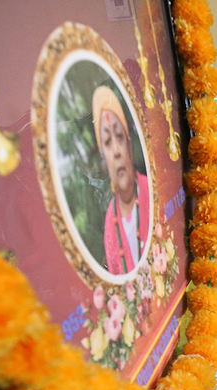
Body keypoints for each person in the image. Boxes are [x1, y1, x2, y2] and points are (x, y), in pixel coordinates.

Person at [92, 85, 150, 275]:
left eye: (119, 136)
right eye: (107, 142)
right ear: (104, 158)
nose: (116, 151)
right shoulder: (111, 218)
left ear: (129, 145)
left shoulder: (152, 193)